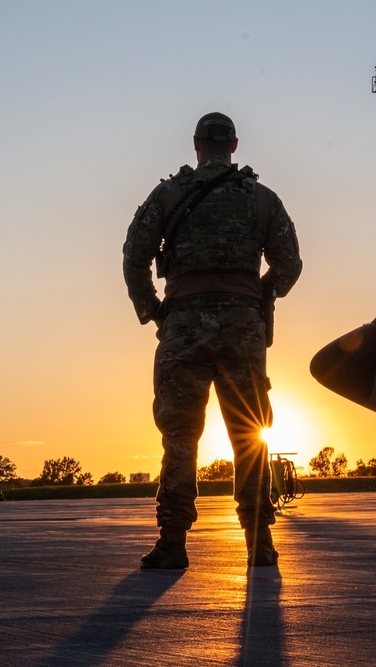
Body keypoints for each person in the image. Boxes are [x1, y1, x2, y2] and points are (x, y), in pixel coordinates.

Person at [123, 112, 302, 569]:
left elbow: (134, 256)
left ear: (197, 144)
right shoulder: (262, 200)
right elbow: (289, 264)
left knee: (180, 436)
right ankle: (258, 542)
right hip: (243, 330)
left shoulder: (169, 195)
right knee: (249, 435)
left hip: (184, 325)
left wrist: (156, 312)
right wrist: (260, 296)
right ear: (235, 145)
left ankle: (173, 543)